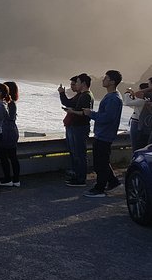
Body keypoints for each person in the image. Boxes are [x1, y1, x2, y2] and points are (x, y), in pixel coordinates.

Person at [82, 70, 124, 198]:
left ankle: (99, 189)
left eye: (106, 78)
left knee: (100, 163)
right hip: (103, 134)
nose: (103, 80)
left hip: (105, 135)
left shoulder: (113, 98)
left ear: (112, 82)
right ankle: (114, 183)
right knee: (103, 162)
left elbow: (107, 118)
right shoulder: (113, 96)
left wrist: (91, 114)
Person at [61, 73, 94, 187]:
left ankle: (81, 179)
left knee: (79, 153)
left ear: (83, 84)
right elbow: (72, 104)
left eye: (78, 82)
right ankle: (77, 176)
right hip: (77, 127)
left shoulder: (86, 96)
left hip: (80, 127)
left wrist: (72, 111)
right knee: (76, 153)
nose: (76, 85)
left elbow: (84, 113)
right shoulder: (82, 95)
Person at [0, 81, 21, 188]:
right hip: (13, 131)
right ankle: (16, 180)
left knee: (3, 156)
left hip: (5, 132)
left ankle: (7, 179)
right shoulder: (13, 103)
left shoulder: (7, 104)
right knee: (13, 156)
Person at [123, 83, 149, 150]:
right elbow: (134, 104)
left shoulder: (142, 100)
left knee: (135, 144)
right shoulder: (147, 100)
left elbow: (127, 103)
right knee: (142, 145)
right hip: (143, 123)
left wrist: (127, 93)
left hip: (136, 123)